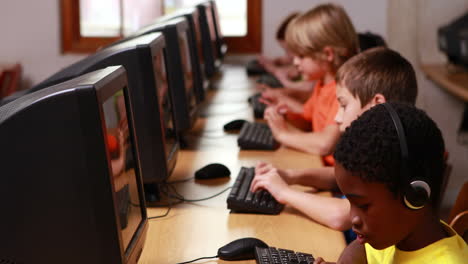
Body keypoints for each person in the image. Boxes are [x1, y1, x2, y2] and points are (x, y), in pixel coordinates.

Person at [251, 48, 418, 240]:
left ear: (376, 104)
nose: (337, 117)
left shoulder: (393, 154)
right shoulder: (376, 143)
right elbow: (338, 176)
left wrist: (284, 192)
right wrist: (291, 176)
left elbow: (341, 215)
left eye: (344, 105)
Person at [313, 102, 468, 263]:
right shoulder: (398, 233)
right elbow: (361, 248)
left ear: (414, 196)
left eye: (363, 206)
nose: (353, 218)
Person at [260, 4, 358, 165]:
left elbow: (325, 144)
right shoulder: (323, 82)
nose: (295, 62)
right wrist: (283, 113)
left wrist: (283, 135)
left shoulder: (344, 89)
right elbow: (308, 120)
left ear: (327, 54)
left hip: (336, 184)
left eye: (301, 55)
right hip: (318, 165)